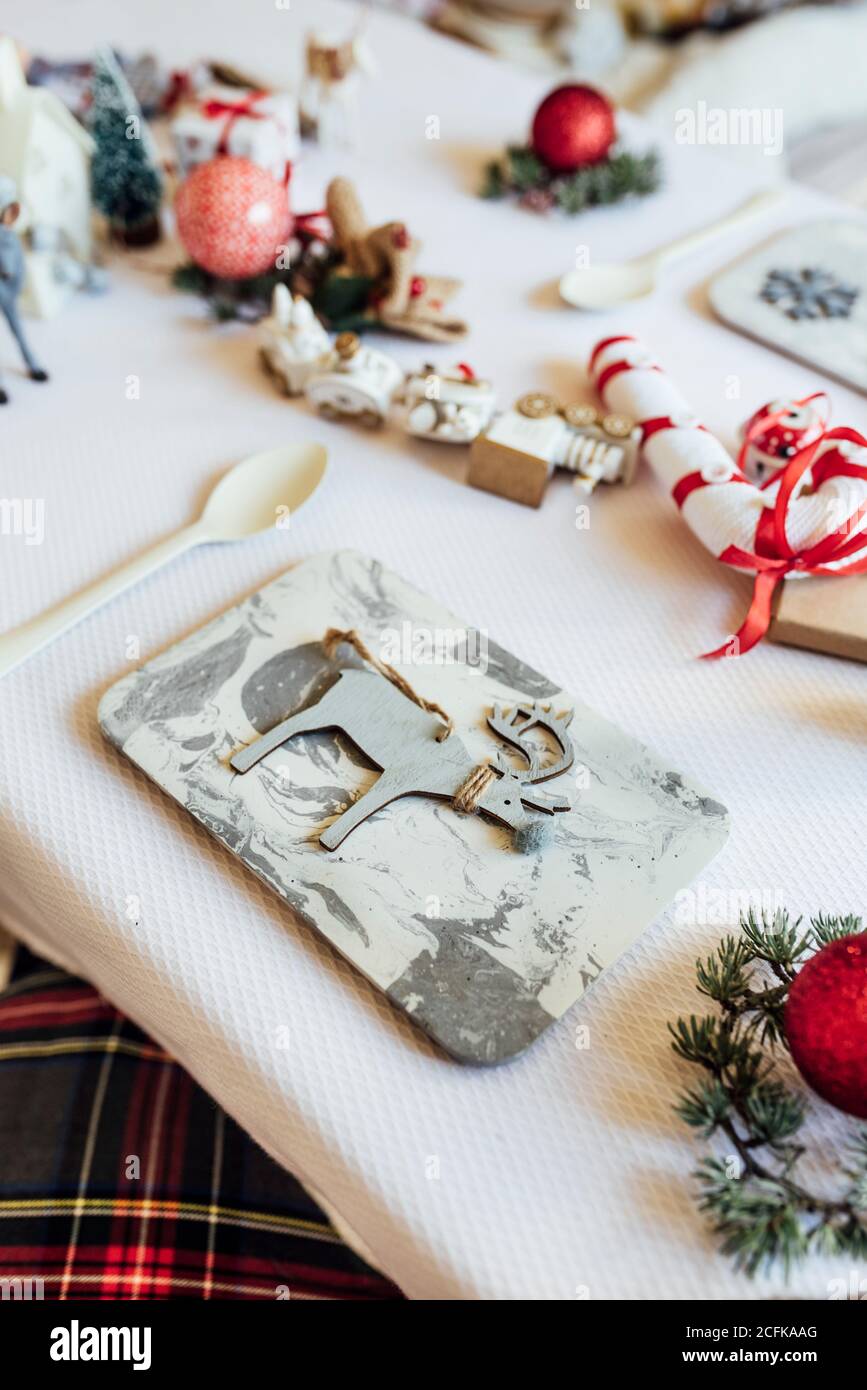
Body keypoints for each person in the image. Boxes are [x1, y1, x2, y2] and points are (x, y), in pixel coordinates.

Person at [0, 175, 48, 405]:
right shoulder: (6, 236)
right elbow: (8, 264)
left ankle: (32, 363)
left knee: (18, 329)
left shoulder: (10, 234)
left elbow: (15, 265)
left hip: (8, 292)